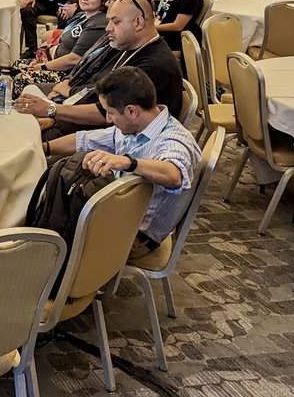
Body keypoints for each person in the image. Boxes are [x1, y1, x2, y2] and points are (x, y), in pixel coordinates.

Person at [42, 67, 201, 258]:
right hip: (118, 214)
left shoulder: (173, 140)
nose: (108, 120)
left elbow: (174, 175)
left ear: (132, 111)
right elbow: (84, 140)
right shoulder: (137, 125)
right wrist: (43, 148)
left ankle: (59, 278)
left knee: (50, 233)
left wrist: (129, 162)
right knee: (51, 205)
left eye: (110, 113)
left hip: (136, 236)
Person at [14, 0, 184, 141]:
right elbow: (96, 89)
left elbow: (106, 115)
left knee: (19, 135)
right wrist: (56, 114)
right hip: (84, 124)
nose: (108, 28)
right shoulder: (131, 46)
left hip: (111, 140)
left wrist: (52, 111)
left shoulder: (154, 65)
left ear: (138, 22)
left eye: (115, 21)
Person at [10, 0, 111, 95]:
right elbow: (61, 39)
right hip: (51, 60)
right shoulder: (82, 16)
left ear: (104, 0)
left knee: (20, 80)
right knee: (15, 66)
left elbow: (74, 59)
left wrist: (43, 66)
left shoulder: (97, 24)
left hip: (67, 74)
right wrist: (41, 56)